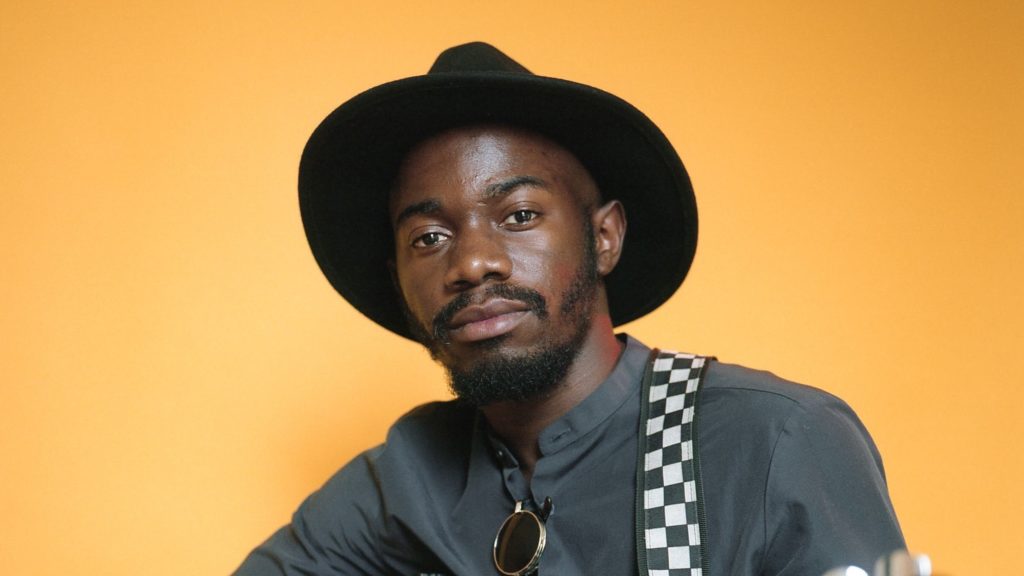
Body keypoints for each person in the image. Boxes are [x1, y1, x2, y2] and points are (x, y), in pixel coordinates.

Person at [234, 42, 905, 576]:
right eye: (429, 238)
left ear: (604, 236)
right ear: (399, 282)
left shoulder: (774, 443)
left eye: (519, 215)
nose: (471, 264)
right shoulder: (404, 481)